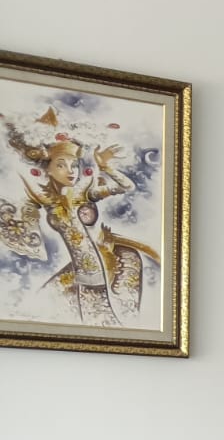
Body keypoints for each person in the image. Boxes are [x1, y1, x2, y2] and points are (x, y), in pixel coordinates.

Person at [2, 111, 159, 326]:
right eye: (61, 165)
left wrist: (105, 167)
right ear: (47, 170)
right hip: (82, 276)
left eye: (74, 165)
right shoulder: (47, 200)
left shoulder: (83, 193)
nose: (71, 171)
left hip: (110, 267)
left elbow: (127, 186)